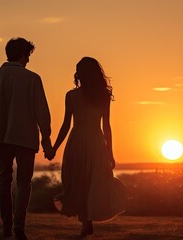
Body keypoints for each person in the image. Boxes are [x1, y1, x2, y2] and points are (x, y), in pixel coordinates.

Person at [0, 37, 52, 240]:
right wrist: (46, 139)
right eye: (28, 56)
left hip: (0, 136)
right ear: (24, 56)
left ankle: (6, 225)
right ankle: (19, 225)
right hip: (25, 136)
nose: (29, 61)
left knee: (3, 181)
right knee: (24, 182)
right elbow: (42, 112)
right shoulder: (32, 78)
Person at [48, 57, 126, 238]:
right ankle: (86, 222)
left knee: (86, 181)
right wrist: (54, 147)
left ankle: (86, 223)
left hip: (84, 141)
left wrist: (111, 152)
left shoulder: (94, 96)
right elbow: (68, 124)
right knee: (83, 181)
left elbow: (105, 125)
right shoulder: (79, 95)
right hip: (88, 142)